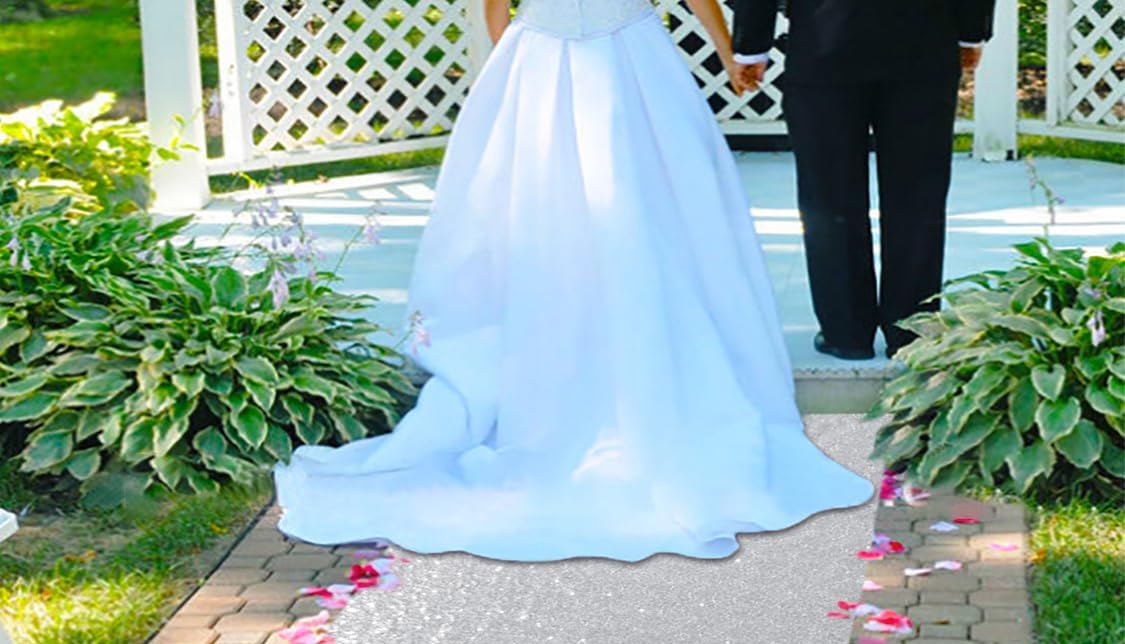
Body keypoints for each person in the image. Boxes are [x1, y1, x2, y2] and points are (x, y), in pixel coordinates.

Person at [274, 0, 873, 561]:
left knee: (570, 214)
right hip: (624, 60)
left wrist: (515, 63)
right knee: (651, 216)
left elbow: (494, 6)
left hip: (548, 56)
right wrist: (725, 52)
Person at [731, 0, 996, 358]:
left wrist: (751, 46)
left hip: (824, 41)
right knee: (918, 195)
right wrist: (970, 31)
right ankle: (912, 330)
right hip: (924, 39)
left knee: (829, 198)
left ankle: (845, 331)